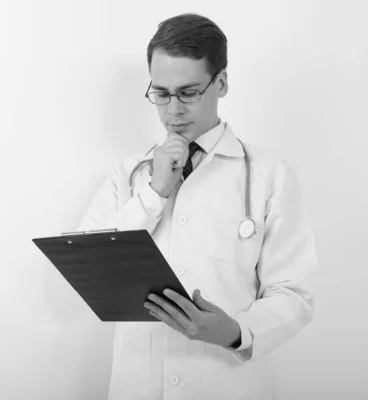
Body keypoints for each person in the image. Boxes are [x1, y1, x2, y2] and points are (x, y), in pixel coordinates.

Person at [75, 13, 317, 400]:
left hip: (229, 383)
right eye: (161, 93)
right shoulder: (129, 175)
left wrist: (235, 332)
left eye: (188, 93)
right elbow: (88, 265)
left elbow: (294, 293)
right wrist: (153, 194)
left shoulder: (270, 176)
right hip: (139, 385)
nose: (173, 110)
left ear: (220, 83)